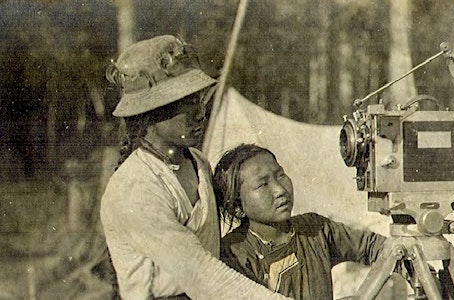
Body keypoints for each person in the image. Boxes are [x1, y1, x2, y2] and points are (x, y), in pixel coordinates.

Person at [100, 35, 290, 299]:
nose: (200, 113)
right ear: (152, 113)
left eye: (199, 100)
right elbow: (200, 274)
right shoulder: (134, 188)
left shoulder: (198, 164)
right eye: (186, 104)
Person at [212, 143, 389, 300]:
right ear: (237, 207)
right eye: (263, 185)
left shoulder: (315, 229)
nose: (280, 190)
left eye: (280, 175)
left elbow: (372, 246)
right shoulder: (233, 255)